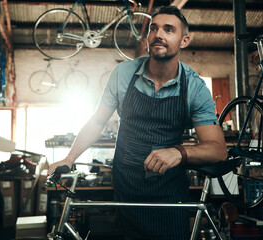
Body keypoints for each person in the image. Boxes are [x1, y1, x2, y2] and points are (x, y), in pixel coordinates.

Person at [48, 5, 227, 240]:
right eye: (154, 28)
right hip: (127, 186)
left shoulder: (194, 87)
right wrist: (69, 158)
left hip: (169, 192)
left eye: (169, 29)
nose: (158, 34)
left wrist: (179, 152)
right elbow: (97, 121)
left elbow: (218, 150)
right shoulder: (123, 74)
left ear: (184, 41)